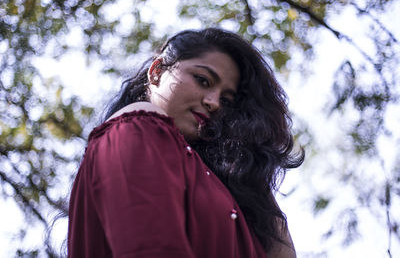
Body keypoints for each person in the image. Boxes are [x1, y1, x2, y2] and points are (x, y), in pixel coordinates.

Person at [67, 28, 304, 258]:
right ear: (157, 71)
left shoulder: (214, 178)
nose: (214, 103)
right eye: (203, 80)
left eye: (227, 100)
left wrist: (255, 186)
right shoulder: (136, 127)